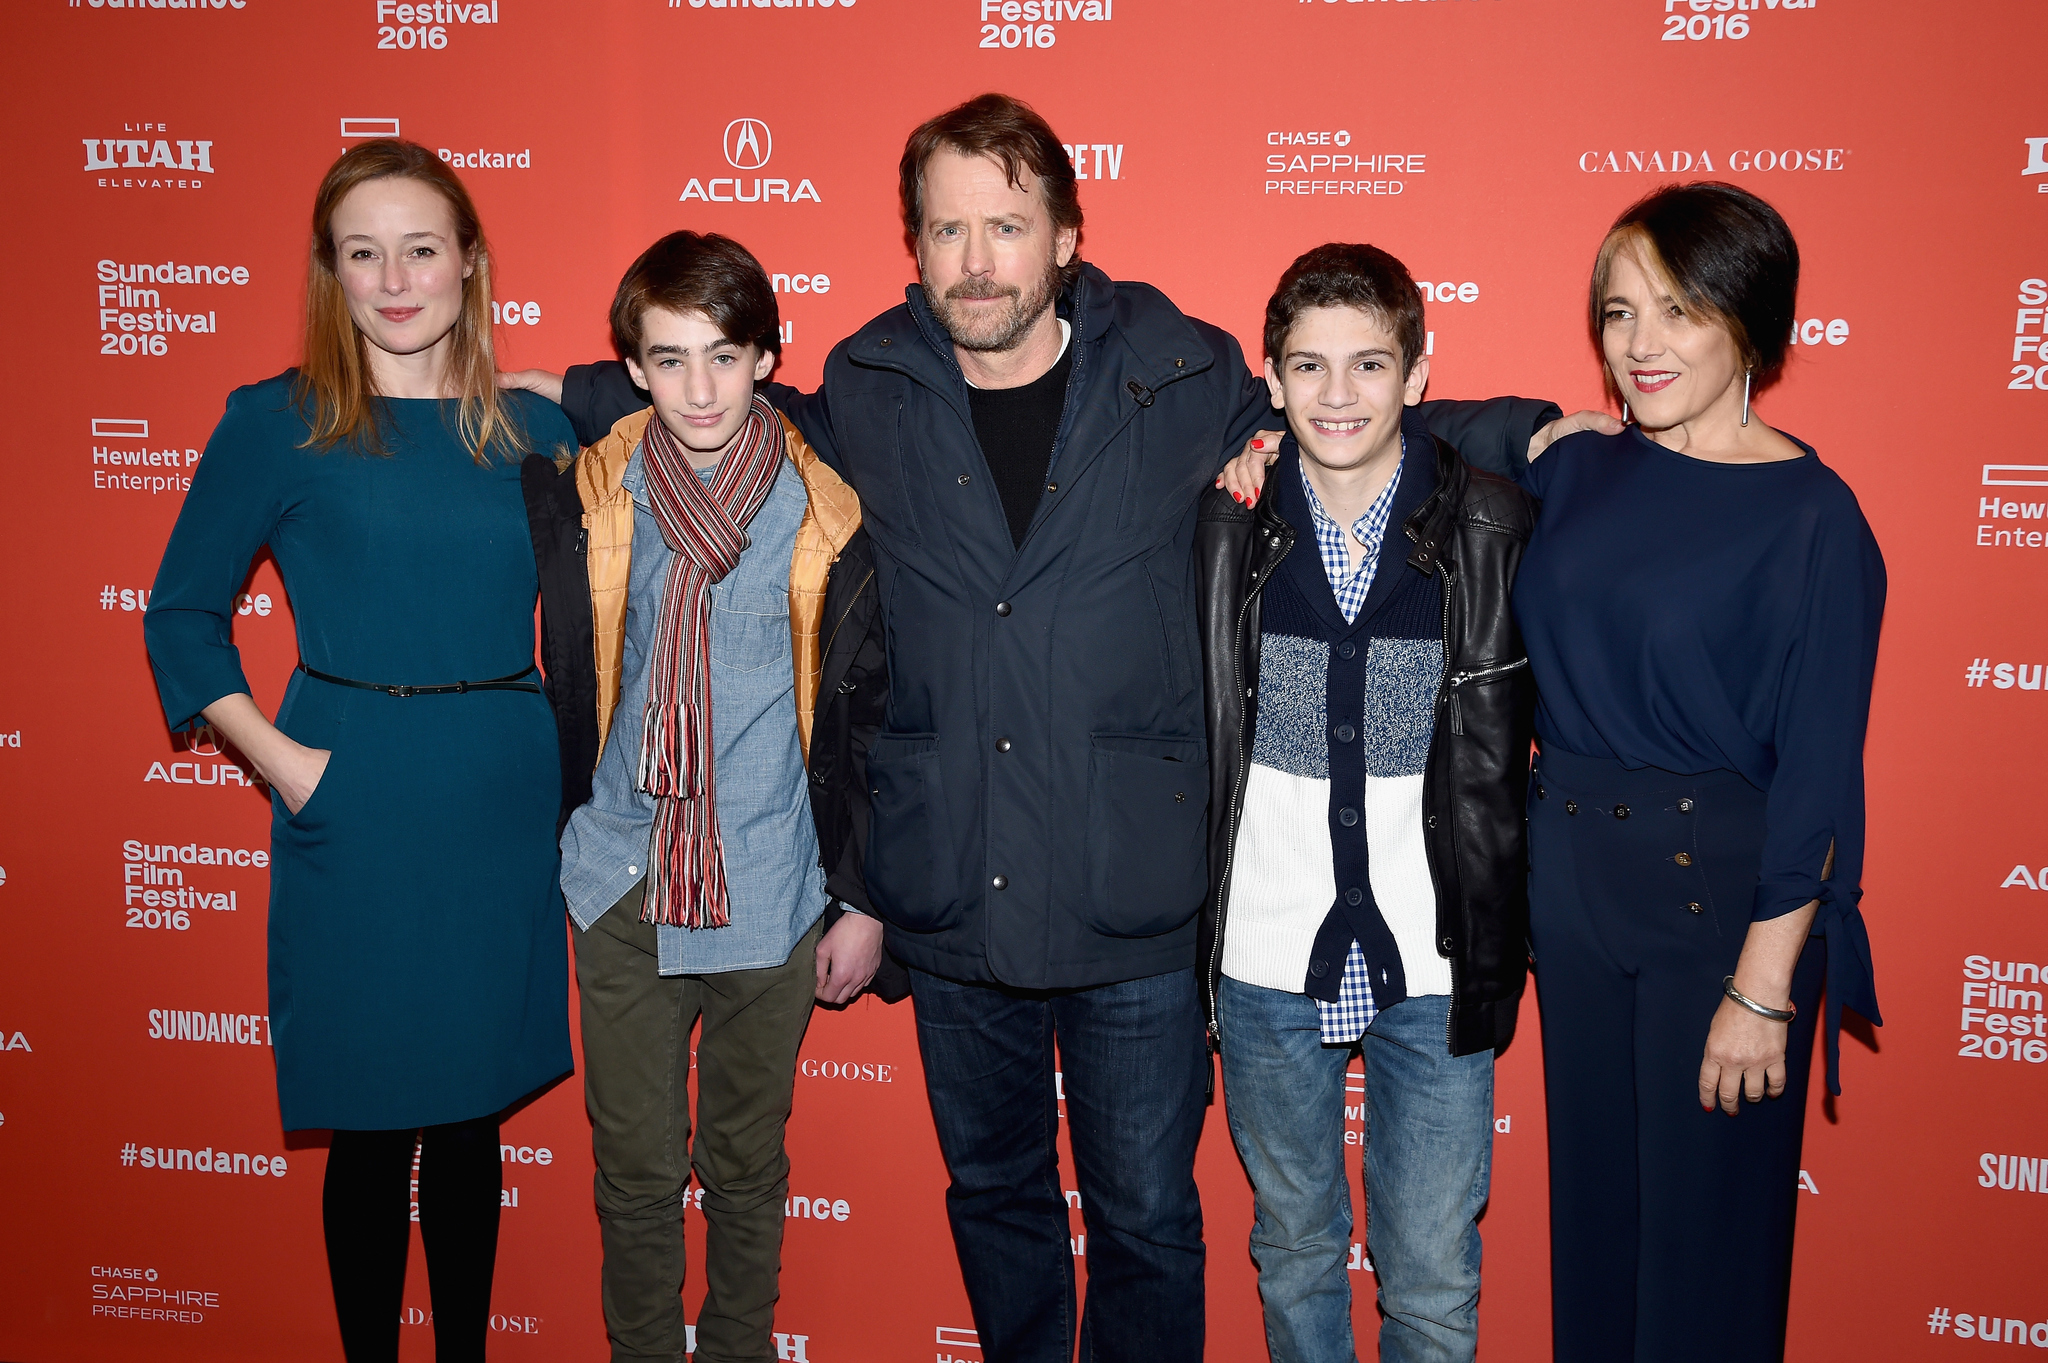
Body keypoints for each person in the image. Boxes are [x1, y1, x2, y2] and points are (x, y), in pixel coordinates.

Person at [509, 93, 1595, 1363]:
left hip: (1129, 885)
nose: (976, 261)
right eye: (947, 230)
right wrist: (560, 394)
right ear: (911, 245)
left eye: (1007, 226)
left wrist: (1525, 432)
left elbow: (1339, 411)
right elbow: (722, 398)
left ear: (1067, 237)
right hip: (949, 878)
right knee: (995, 1201)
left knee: (1144, 1212)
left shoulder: (1179, 371)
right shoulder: (866, 383)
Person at [143, 139, 575, 1363]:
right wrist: (281, 762)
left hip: (500, 794)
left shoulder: (538, 428)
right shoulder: (275, 423)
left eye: (421, 248)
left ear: (469, 264)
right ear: (331, 272)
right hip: (353, 794)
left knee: (474, 1123)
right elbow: (180, 612)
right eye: (362, 252)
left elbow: (689, 426)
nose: (395, 277)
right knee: (376, 1124)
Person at [1514, 182, 1884, 1362]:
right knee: (1599, 1239)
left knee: (1699, 1263)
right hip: (1569, 893)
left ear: (1747, 323)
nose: (1640, 345)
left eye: (1675, 312)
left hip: (1711, 902)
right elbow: (1406, 430)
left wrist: (1762, 989)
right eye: (1619, 313)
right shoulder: (1576, 468)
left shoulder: (1814, 518)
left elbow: (1819, 776)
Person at [522, 229, 896, 1363]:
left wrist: (862, 894)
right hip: (622, 878)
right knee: (632, 1171)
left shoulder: (828, 510)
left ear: (769, 359)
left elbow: (871, 719)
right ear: (630, 368)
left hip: (769, 883)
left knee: (746, 1164)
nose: (699, 387)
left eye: (724, 357)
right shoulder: (589, 489)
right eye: (670, 359)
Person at [1195, 243, 1537, 1363]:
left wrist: (1560, 428)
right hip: (1262, 958)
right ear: (1269, 374)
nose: (1336, 396)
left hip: (1435, 963)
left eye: (1368, 365)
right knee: (1293, 1248)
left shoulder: (1492, 526)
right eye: (1308, 367)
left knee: (1431, 1276)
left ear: (1418, 372)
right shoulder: (1224, 522)